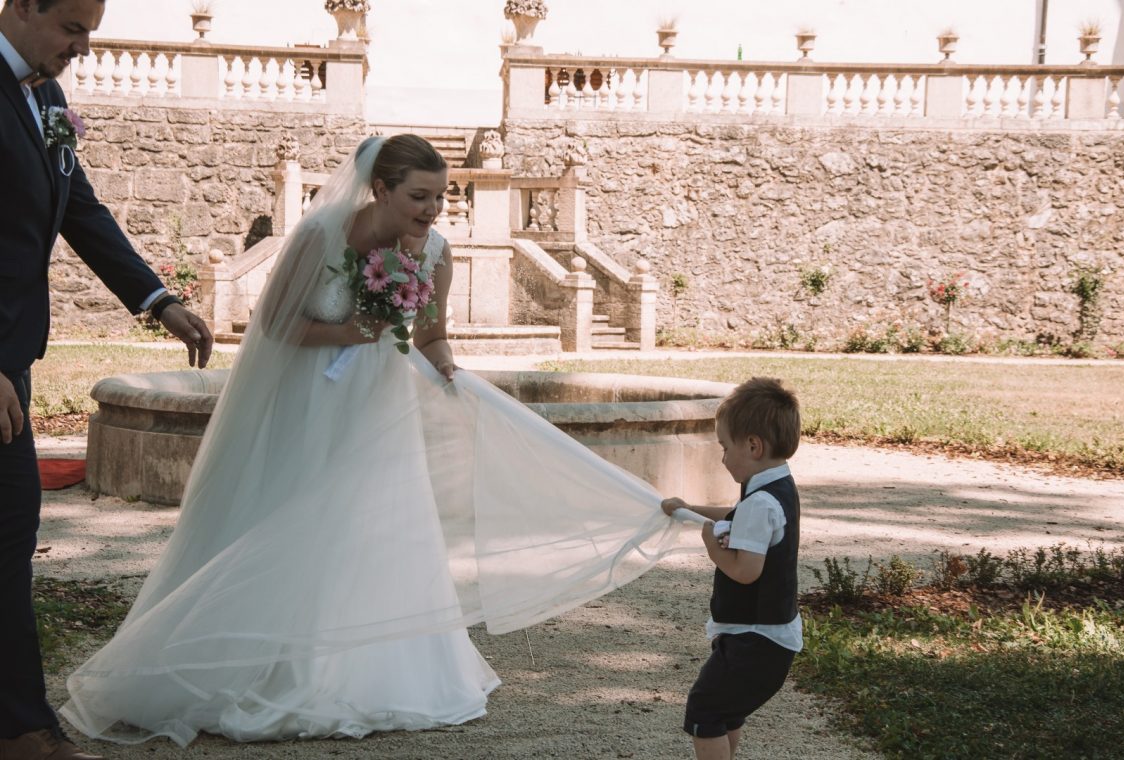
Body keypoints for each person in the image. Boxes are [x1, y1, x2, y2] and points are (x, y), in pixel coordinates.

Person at [61, 134, 688, 747]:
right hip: (309, 398)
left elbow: (431, 333)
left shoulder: (434, 250)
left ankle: (366, 669)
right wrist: (355, 331)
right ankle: (268, 661)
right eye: (419, 196)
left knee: (374, 520)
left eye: (440, 197)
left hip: (379, 404)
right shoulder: (320, 235)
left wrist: (445, 366)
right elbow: (276, 325)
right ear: (381, 188)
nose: (432, 210)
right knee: (300, 513)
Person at [0, 1, 214, 758]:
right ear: (21, 6)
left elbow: (77, 208)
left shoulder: (46, 95)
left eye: (91, 30)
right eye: (71, 27)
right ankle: (22, 727)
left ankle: (21, 721)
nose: (83, 47)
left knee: (9, 534)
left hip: (13, 360)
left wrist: (160, 300)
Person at [660, 377, 803, 760]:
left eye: (725, 447)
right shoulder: (776, 486)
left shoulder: (760, 503)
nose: (722, 458)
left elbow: (745, 571)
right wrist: (688, 509)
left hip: (755, 640)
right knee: (726, 710)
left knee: (704, 710)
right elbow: (734, 515)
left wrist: (712, 547)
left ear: (753, 445)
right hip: (765, 637)